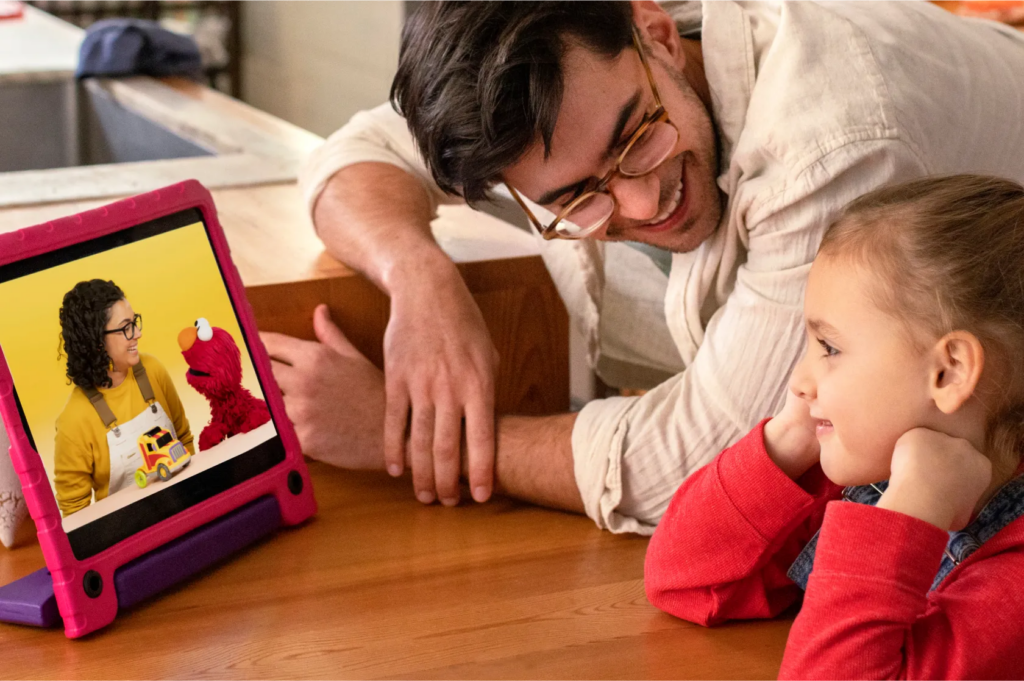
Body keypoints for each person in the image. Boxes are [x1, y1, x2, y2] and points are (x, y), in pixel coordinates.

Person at [263, 0, 1024, 532]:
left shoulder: (830, 145)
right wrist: (418, 276)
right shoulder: (551, 107)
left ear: (656, 30)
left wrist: (409, 438)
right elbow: (355, 152)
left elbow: (705, 461)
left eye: (636, 135)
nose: (645, 198)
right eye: (580, 197)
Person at [645, 175, 1024, 679]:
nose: (799, 381)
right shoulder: (862, 479)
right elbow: (681, 579)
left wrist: (908, 516)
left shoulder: (1011, 587)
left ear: (948, 372)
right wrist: (788, 441)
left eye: (830, 348)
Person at [55, 280, 194, 517]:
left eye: (135, 322)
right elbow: (76, 515)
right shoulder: (73, 421)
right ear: (97, 341)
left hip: (185, 508)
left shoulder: (153, 370)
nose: (138, 333)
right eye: (126, 327)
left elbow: (184, 440)